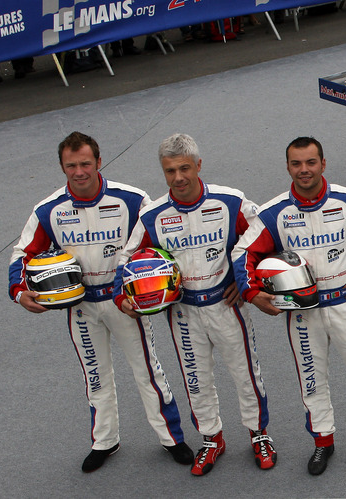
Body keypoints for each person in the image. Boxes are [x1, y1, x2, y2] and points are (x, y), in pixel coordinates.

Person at [9, 132, 191, 473]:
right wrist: (19, 290)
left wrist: (168, 286)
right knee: (95, 376)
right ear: (62, 167)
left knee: (148, 371)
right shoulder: (49, 210)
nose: (79, 172)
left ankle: (172, 438)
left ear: (99, 161)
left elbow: (163, 241)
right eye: (71, 166)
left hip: (124, 303)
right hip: (80, 306)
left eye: (85, 163)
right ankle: (104, 441)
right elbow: (23, 253)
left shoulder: (131, 200)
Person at [232, 137, 346, 475]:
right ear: (288, 167)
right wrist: (252, 293)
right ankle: (323, 441)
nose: (304, 170)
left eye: (310, 162)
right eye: (296, 163)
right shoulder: (274, 212)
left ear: (323, 163)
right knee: (311, 379)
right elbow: (242, 252)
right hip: (301, 311)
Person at [114, 133, 276, 476]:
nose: (178, 177)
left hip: (226, 306)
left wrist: (246, 282)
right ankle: (212, 439)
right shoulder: (152, 215)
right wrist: (122, 297)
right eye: (170, 171)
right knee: (195, 379)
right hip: (183, 312)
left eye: (184, 168)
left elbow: (265, 237)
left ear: (199, 165)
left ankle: (259, 435)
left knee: (246, 374)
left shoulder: (230, 202)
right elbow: (124, 261)